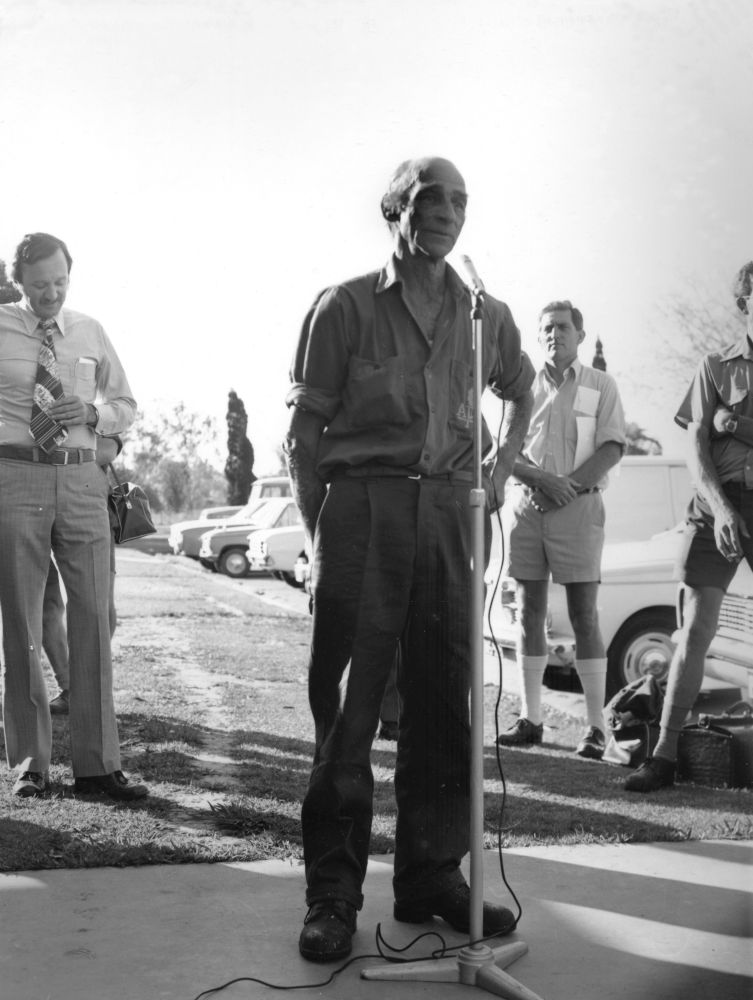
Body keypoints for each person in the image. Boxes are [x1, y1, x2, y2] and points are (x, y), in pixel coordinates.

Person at [284, 156, 534, 962]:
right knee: (349, 710)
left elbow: (521, 389)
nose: (448, 212)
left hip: (451, 518)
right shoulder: (344, 305)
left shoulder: (483, 315)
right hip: (364, 513)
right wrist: (323, 539)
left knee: (442, 707)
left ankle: (430, 877)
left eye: (460, 201)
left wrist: (499, 472)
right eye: (431, 198)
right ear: (394, 208)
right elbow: (302, 437)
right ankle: (332, 895)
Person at [0, 232, 147, 801]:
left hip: (84, 480)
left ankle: (98, 767)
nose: (51, 294)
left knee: (93, 619)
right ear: (18, 280)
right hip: (16, 477)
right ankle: (30, 766)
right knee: (21, 623)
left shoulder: (90, 330)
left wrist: (91, 411)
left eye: (60, 282)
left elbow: (126, 406)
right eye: (40, 285)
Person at [625, 261, 753, 792]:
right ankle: (664, 756)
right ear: (744, 303)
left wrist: (735, 422)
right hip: (716, 502)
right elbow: (695, 446)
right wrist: (722, 510)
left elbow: (720, 427)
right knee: (696, 629)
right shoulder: (715, 366)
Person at [497, 301, 626, 760]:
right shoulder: (521, 388)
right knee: (528, 613)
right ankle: (531, 719)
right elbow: (506, 448)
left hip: (579, 507)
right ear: (539, 336)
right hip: (527, 507)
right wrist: (540, 482)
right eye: (547, 328)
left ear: (580, 334)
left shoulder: (600, 384)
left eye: (564, 327)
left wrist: (564, 488)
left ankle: (595, 729)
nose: (555, 334)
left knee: (584, 616)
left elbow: (612, 448)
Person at [46, 434, 122, 715]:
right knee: (43, 604)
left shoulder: (93, 409)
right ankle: (69, 687)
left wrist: (66, 463)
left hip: (87, 503)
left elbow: (110, 447)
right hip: (24, 502)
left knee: (97, 605)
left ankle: (88, 685)